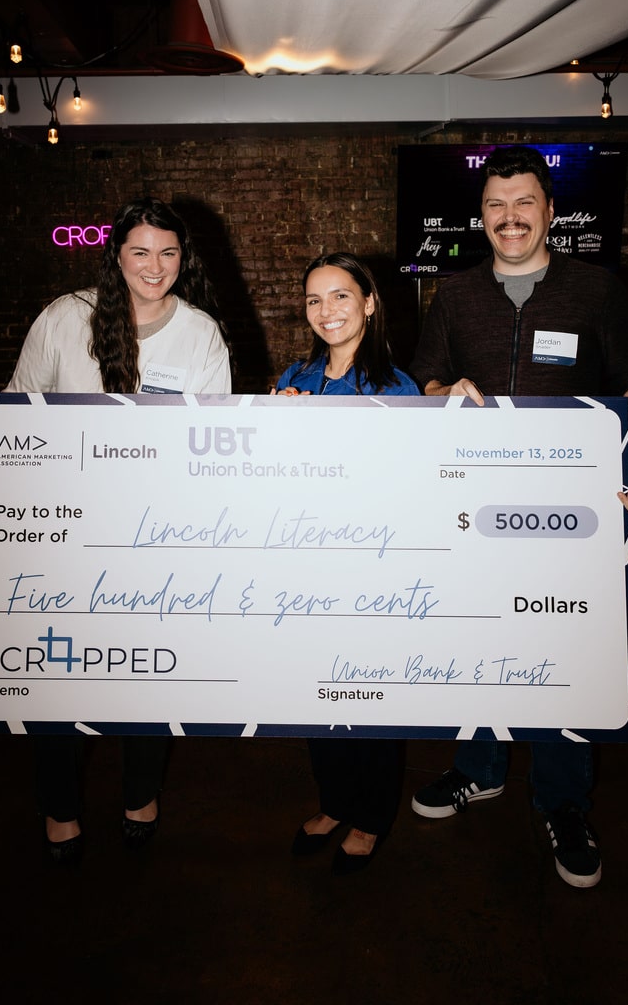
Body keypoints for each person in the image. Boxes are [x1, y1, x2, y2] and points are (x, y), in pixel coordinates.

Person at [0, 197, 231, 864]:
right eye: (140, 251)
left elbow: (217, 443)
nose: (155, 266)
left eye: (168, 252)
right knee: (55, 669)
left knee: (145, 673)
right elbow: (13, 414)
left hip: (154, 537)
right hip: (60, 537)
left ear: (182, 258)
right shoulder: (65, 317)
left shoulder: (200, 334)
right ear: (116, 255)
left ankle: (139, 793)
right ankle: (60, 804)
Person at [409, 145, 628, 888]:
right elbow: (423, 386)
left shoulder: (598, 291)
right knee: (477, 637)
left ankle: (562, 801)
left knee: (562, 655)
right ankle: (479, 767)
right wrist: (441, 390)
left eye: (524, 203)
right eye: (495, 205)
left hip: (568, 517)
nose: (510, 218)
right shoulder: (450, 296)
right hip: (473, 511)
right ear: (480, 217)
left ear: (550, 211)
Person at [274, 251, 419, 874]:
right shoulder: (294, 376)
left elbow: (413, 487)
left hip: (371, 569)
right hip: (306, 566)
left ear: (369, 302)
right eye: (313, 299)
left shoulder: (397, 387)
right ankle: (334, 801)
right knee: (315, 692)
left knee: (369, 697)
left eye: (339, 296)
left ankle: (371, 815)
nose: (326, 310)